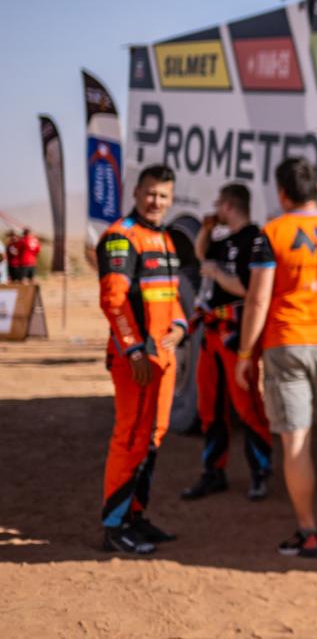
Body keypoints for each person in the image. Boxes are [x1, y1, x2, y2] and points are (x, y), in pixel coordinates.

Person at [237, 157, 317, 558]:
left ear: (282, 193)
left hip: (287, 342)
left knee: (296, 439)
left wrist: (245, 352)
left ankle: (308, 531)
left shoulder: (273, 232)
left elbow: (258, 299)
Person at [95, 164, 189, 554]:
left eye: (163, 195)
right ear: (135, 193)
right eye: (150, 193)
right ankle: (114, 527)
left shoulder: (164, 238)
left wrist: (180, 327)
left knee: (153, 436)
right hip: (135, 360)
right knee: (131, 437)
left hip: (163, 357)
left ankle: (135, 516)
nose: (156, 201)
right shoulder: (121, 237)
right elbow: (114, 300)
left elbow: (171, 296)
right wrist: (133, 348)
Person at [180, 183, 274, 501]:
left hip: (237, 333)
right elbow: (201, 254)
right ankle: (213, 472)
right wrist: (206, 229)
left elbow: (251, 289)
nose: (216, 209)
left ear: (229, 207)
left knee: (247, 405)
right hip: (211, 333)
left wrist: (218, 276)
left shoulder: (255, 240)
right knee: (209, 406)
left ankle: (260, 473)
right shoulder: (224, 240)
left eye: (219, 204)